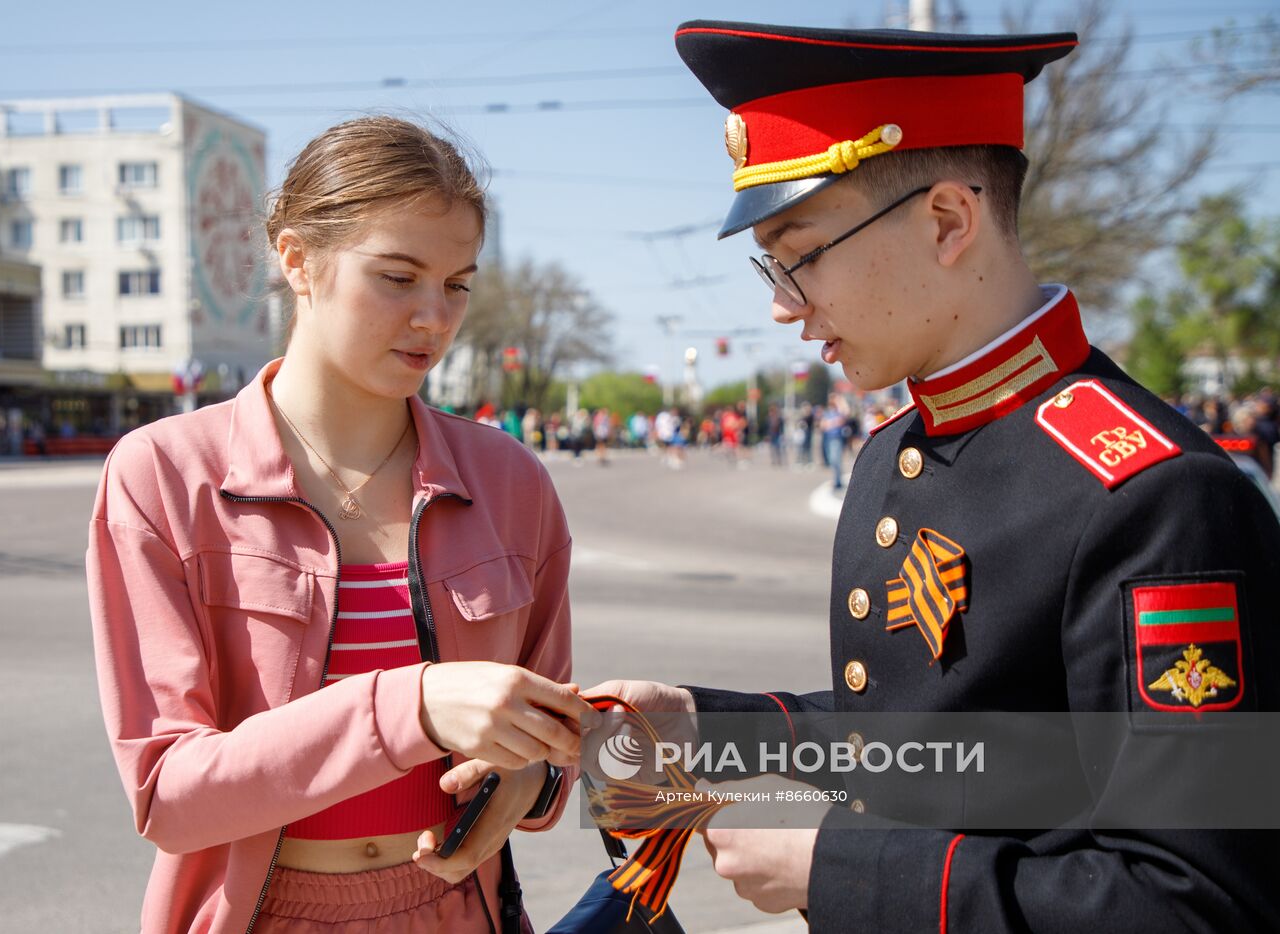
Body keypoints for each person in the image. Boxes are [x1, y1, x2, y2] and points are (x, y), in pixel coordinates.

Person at [591, 20, 1280, 932]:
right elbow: (951, 746)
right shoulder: (893, 452)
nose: (780, 303)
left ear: (948, 221)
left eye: (801, 255)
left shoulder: (1156, 498)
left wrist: (838, 868)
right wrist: (702, 727)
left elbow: (1198, 904)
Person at [87, 116, 594, 934]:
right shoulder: (164, 475)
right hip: (263, 914)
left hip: (459, 912)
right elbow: (167, 794)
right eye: (398, 277)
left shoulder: (511, 482)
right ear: (297, 261)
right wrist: (411, 707)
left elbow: (553, 737)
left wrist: (528, 783)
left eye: (458, 284)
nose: (434, 315)